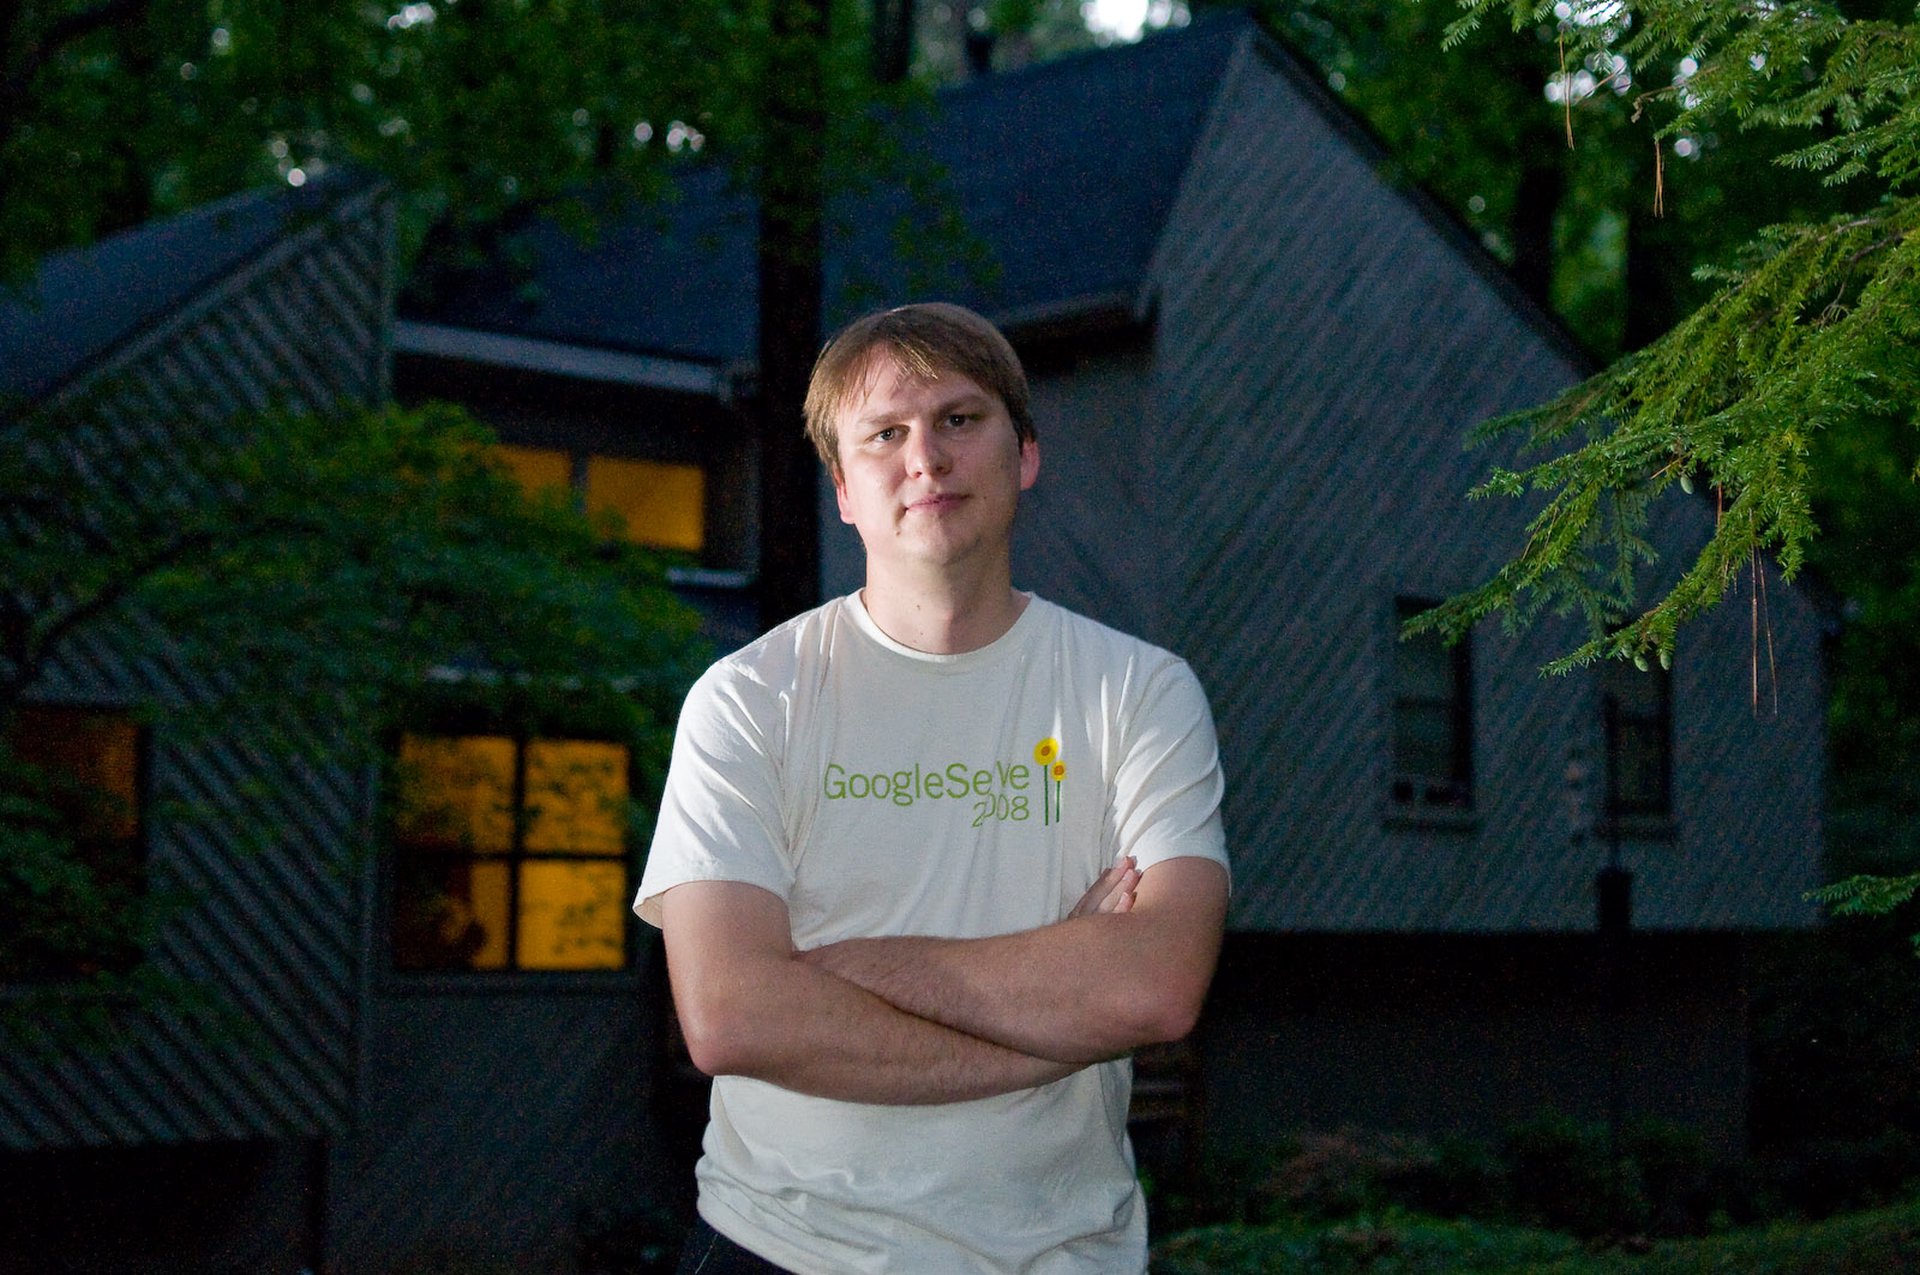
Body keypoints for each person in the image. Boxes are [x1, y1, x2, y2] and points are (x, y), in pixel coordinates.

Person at [635, 302, 1231, 1274]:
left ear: (1024, 454)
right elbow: (733, 1014)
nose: (926, 458)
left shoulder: (1136, 692)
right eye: (884, 433)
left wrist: (842, 968)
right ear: (843, 488)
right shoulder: (750, 699)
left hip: (1060, 1255)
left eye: (959, 418)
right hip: (781, 1246)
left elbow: (1155, 986)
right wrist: (1056, 1028)